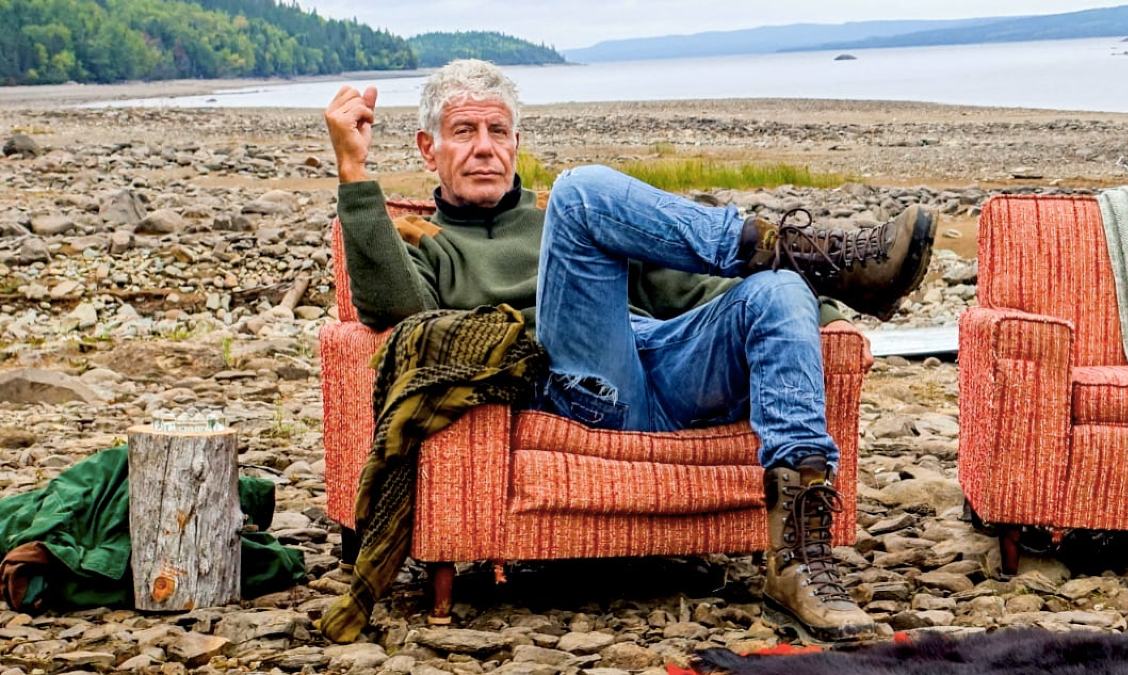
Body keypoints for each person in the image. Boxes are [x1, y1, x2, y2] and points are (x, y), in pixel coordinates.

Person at [324, 59, 936, 641]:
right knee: (581, 191)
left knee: (778, 288)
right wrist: (353, 171)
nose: (485, 147)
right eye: (464, 131)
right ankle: (816, 255)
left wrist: (819, 319)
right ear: (428, 148)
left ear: (515, 142)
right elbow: (399, 316)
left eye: (498, 131)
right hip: (576, 385)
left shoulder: (587, 224)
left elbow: (695, 289)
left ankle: (798, 561)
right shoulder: (432, 241)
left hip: (667, 372)